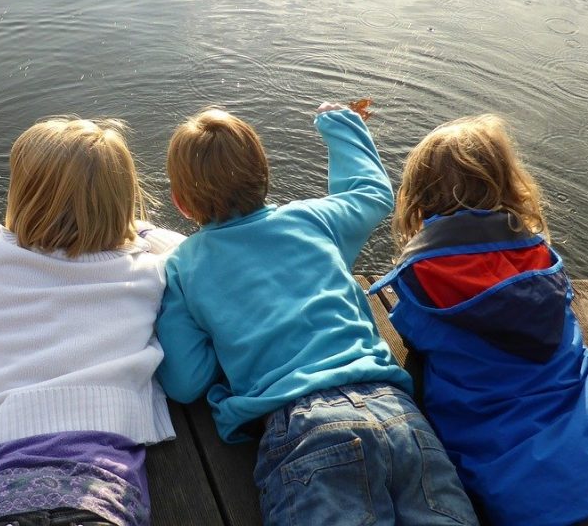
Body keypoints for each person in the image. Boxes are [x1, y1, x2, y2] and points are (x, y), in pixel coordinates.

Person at [155, 104, 478, 526]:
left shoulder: (184, 266)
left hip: (306, 427)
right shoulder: (314, 219)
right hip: (399, 414)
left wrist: (230, 336)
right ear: (264, 175)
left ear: (180, 203)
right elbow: (370, 194)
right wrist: (340, 122)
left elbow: (184, 381)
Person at [369, 114, 588, 526]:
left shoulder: (420, 278)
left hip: (529, 490)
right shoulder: (542, 260)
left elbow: (417, 336)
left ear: (417, 197)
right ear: (508, 183)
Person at [0, 117, 181, 526]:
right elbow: (190, 252)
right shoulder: (146, 271)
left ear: (22, 195)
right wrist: (142, 229)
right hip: (98, 468)